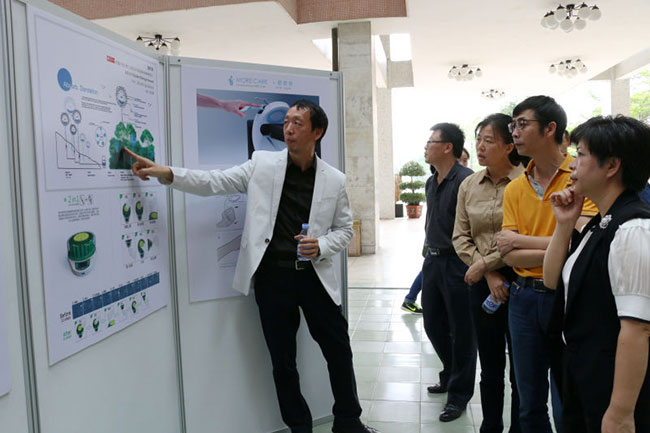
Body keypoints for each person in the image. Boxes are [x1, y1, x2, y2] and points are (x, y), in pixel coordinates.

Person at [125, 100, 379, 433]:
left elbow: (344, 229)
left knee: (339, 350)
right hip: (274, 278)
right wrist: (168, 173)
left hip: (314, 276)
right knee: (283, 361)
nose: (288, 129)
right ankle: (299, 427)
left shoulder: (334, 179)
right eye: (286, 122)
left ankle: (348, 422)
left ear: (317, 132)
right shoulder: (262, 164)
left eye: (298, 123)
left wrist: (322, 245)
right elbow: (215, 181)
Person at [496, 95, 598, 433]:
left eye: (522, 124)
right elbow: (509, 255)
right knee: (529, 401)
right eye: (512, 125)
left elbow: (583, 243)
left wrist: (523, 241)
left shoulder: (582, 176)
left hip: (567, 297)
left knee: (566, 399)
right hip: (523, 298)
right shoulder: (515, 188)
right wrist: (559, 245)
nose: (514, 132)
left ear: (550, 128)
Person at [543, 115, 650, 433]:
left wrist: (620, 413)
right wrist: (564, 223)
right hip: (583, 374)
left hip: (611, 385)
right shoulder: (600, 222)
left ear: (612, 165)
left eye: (581, 154)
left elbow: (638, 329)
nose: (572, 165)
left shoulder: (634, 228)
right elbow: (551, 280)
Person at [453, 113, 523, 433]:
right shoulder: (469, 185)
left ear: (509, 146)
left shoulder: (525, 182)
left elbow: (523, 235)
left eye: (489, 140)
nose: (480, 146)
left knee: (521, 367)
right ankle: (490, 426)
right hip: (483, 284)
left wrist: (486, 264)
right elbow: (460, 237)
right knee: (490, 363)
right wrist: (487, 271)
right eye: (478, 139)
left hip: (522, 278)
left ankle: (520, 426)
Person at [421, 122, 475, 422]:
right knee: (433, 323)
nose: (426, 147)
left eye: (431, 142)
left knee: (463, 332)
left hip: (458, 263)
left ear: (447, 147)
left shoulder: (466, 181)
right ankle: (450, 373)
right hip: (432, 261)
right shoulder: (432, 182)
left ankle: (458, 396)